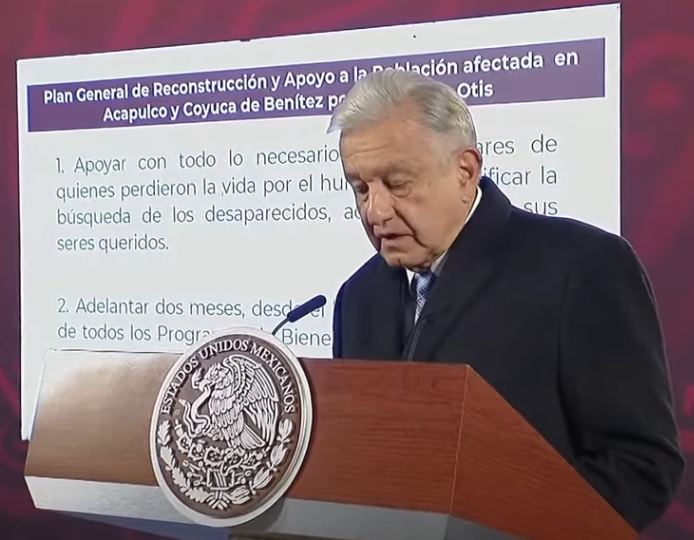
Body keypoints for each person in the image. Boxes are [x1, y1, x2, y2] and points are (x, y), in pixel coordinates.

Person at [328, 69, 684, 532]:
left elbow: (641, 466)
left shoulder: (584, 267)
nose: (375, 211)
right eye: (360, 188)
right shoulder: (358, 298)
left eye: (397, 183)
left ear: (465, 172)